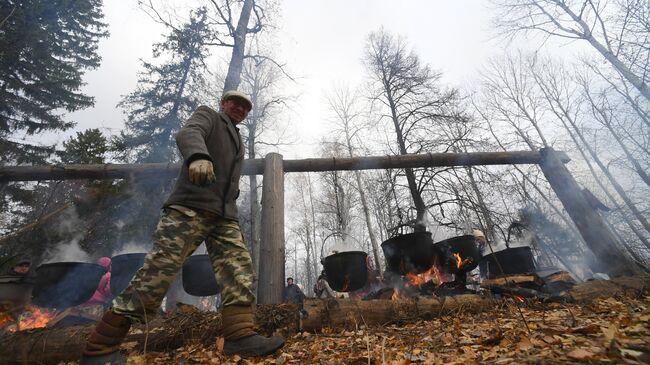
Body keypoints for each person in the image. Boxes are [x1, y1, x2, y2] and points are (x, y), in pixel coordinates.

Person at [81, 91, 284, 364]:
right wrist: (198, 156)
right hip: (190, 207)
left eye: (245, 107)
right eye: (235, 103)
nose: (239, 108)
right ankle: (100, 349)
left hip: (224, 217)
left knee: (239, 271)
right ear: (224, 104)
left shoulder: (238, 139)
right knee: (158, 273)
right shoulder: (208, 115)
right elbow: (188, 133)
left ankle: (239, 336)